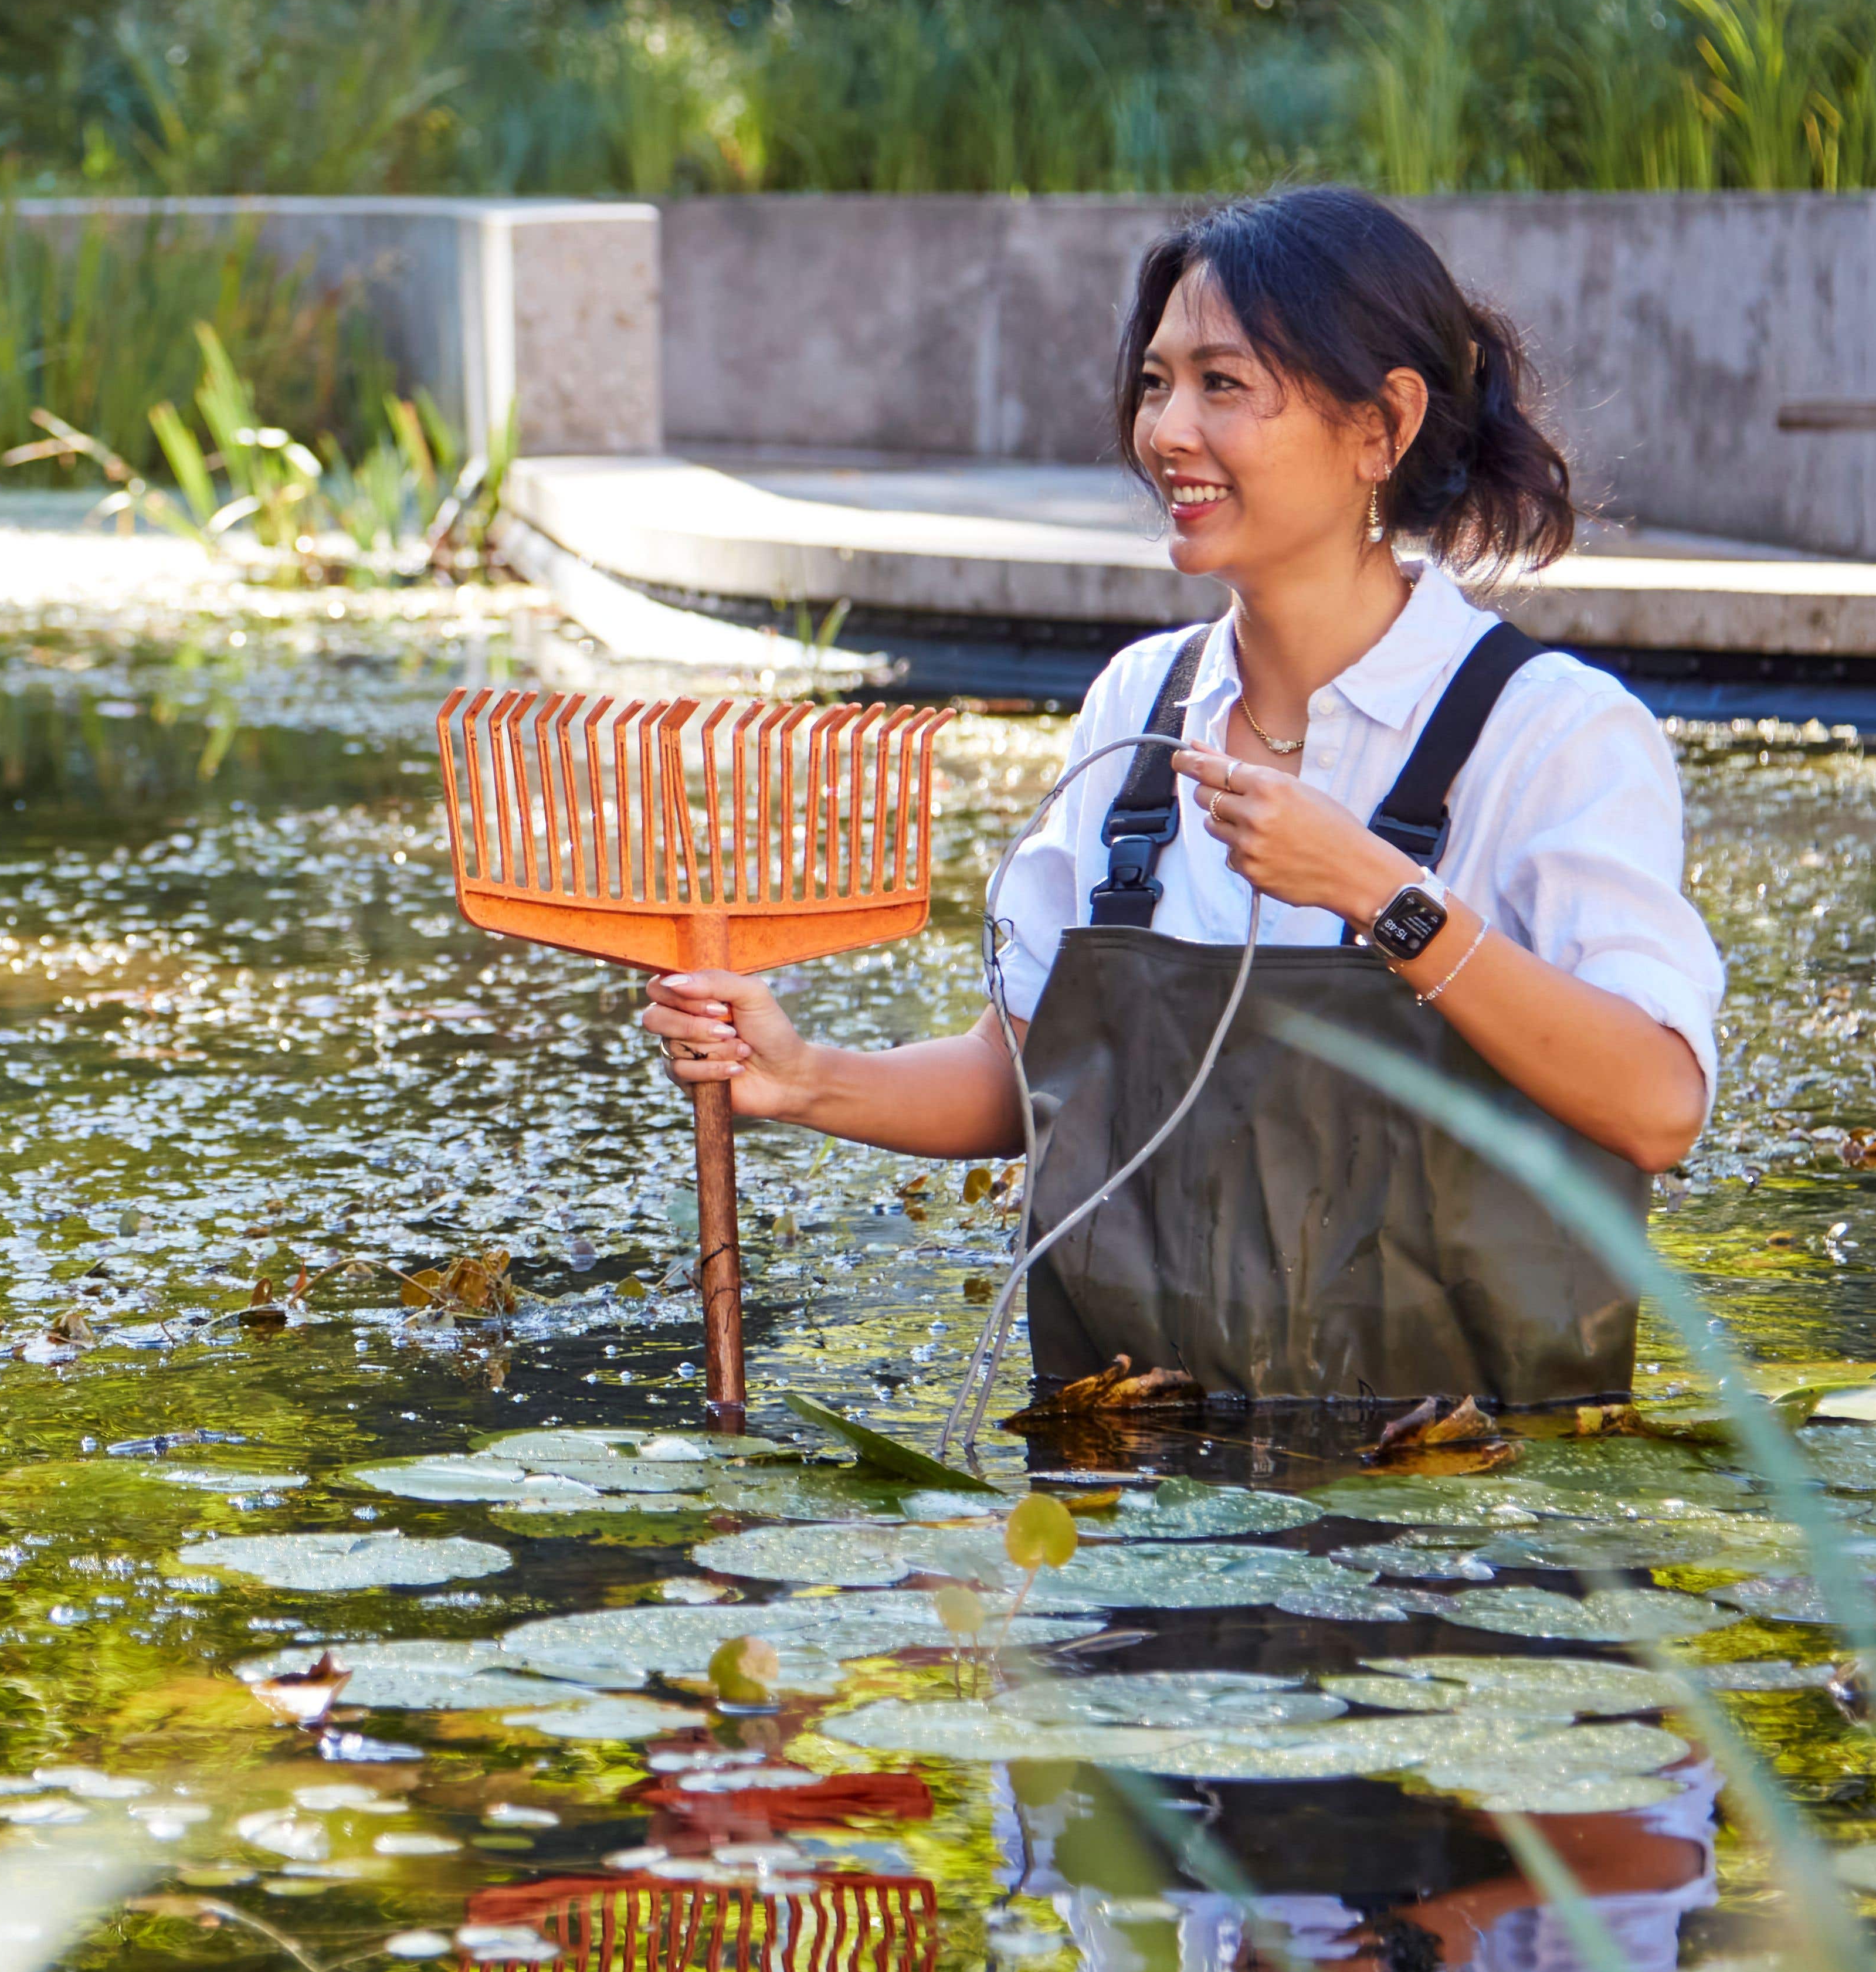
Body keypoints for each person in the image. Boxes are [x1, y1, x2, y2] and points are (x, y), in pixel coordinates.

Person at [642, 185, 1722, 1406]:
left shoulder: (1552, 731)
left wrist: (1380, 890)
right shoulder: (1139, 710)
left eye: (1223, 384)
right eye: (1156, 382)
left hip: (1459, 1507)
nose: (1167, 431)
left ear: (1383, 426)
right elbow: (1034, 1071)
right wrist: (808, 1077)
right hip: (1136, 1472)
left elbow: (1657, 1104)